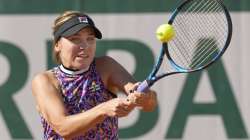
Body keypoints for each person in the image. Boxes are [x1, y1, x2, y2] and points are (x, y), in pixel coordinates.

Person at [31, 10, 157, 140]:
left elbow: (149, 103)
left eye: (90, 39)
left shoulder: (106, 66)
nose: (85, 46)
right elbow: (63, 127)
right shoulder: (45, 81)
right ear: (57, 44)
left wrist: (145, 97)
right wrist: (103, 109)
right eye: (75, 39)